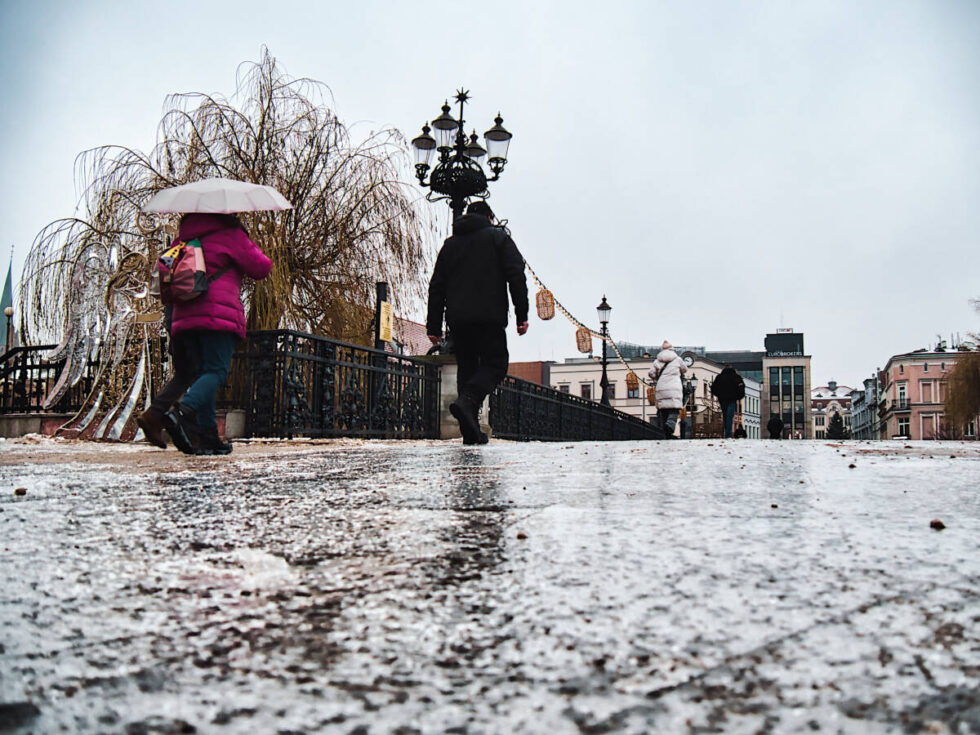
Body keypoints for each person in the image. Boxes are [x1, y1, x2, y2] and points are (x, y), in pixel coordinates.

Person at [137, 213, 272, 455]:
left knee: (203, 373)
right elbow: (261, 267)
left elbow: (167, 273)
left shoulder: (181, 239)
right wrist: (248, 241)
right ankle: (182, 412)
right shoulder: (231, 235)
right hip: (216, 315)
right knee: (217, 371)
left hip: (183, 317)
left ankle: (207, 434)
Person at [426, 200, 529, 445]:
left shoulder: (450, 245)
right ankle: (467, 401)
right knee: (496, 364)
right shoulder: (498, 238)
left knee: (467, 368)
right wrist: (521, 314)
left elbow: (436, 286)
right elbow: (516, 274)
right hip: (489, 316)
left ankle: (471, 432)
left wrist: (433, 326)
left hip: (458, 320)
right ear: (489, 217)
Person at [648, 340, 687, 439]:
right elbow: (685, 369)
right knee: (674, 410)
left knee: (664, 410)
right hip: (674, 387)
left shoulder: (657, 361)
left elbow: (651, 373)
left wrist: (657, 376)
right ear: (671, 349)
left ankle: (667, 434)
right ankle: (669, 425)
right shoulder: (677, 359)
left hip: (661, 388)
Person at [711, 364, 745, 439]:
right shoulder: (736, 377)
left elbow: (713, 388)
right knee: (729, 416)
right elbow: (741, 388)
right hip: (732, 399)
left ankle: (726, 432)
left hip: (722, 399)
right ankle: (728, 434)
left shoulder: (719, 377)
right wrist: (738, 397)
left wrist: (719, 395)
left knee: (725, 415)